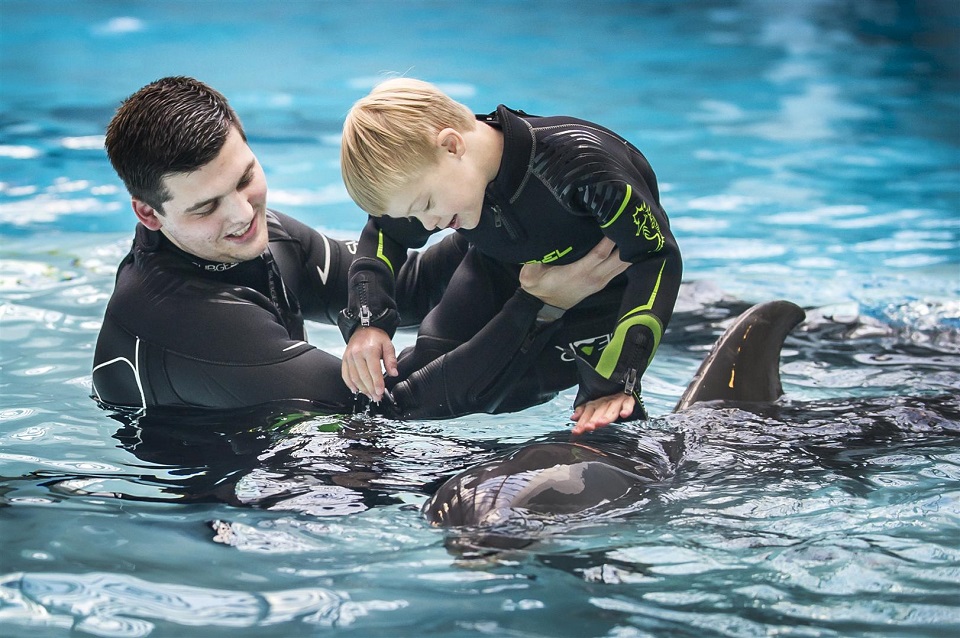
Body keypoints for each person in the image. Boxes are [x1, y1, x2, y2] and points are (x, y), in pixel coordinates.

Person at [91, 76, 627, 419]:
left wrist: (510, 219)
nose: (242, 214)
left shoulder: (256, 237)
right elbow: (387, 406)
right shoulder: (182, 319)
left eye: (245, 178)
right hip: (237, 509)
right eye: (206, 206)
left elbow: (407, 288)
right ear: (148, 213)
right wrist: (541, 305)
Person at [339, 78, 683, 434]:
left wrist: (621, 376)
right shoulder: (434, 173)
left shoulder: (580, 166)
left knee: (605, 419)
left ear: (452, 146)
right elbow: (385, 231)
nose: (428, 224)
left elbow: (657, 258)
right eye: (415, 214)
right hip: (497, 269)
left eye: (426, 204)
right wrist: (368, 321)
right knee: (396, 402)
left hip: (595, 310)